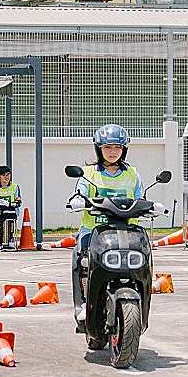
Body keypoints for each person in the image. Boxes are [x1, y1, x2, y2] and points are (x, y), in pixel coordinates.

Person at [69, 124, 143, 333]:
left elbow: (141, 196)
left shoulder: (133, 174)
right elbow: (79, 193)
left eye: (117, 147)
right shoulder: (88, 174)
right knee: (83, 259)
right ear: (98, 149)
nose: (112, 152)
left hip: (127, 230)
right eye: (108, 147)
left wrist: (153, 206)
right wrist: (77, 200)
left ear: (124, 150)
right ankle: (84, 302)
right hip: (95, 231)